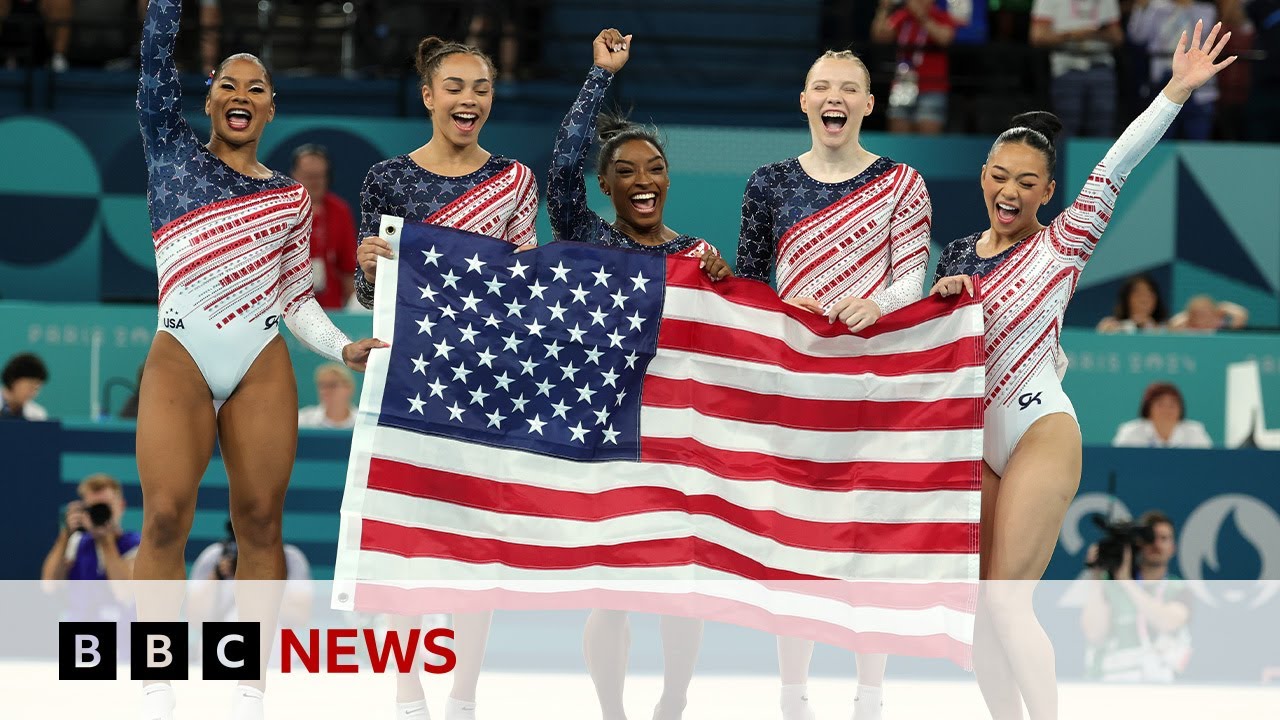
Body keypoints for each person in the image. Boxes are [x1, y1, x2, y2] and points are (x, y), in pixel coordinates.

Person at [930, 21, 1233, 717]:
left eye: (1026, 183)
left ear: (1046, 190)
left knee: (1009, 604)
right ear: (983, 176)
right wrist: (939, 303)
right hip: (973, 440)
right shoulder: (950, 258)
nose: (1009, 192)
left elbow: (1116, 166)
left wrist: (1175, 93)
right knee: (979, 609)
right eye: (999, 177)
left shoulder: (1065, 243)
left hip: (1039, 426)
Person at [133, 2, 385, 719]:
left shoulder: (289, 198)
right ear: (207, 98)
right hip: (181, 347)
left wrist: (344, 345)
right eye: (228, 86)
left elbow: (294, 299)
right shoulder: (170, 154)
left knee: (260, 523)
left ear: (272, 107)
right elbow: (153, 69)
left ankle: (247, 686)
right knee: (163, 519)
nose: (241, 96)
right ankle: (157, 683)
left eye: (256, 89)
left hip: (258, 356)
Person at [735, 46, 932, 720]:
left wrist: (879, 305)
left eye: (849, 87)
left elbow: (913, 275)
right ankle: (793, 693)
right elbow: (751, 285)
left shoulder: (903, 182)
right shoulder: (767, 183)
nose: (834, 97)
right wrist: (783, 317)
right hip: (796, 388)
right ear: (804, 100)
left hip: (876, 386)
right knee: (797, 540)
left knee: (867, 540)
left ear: (869, 104)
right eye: (822, 86)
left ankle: (870, 693)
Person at [350, 34, 539, 720]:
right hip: (406, 379)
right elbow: (371, 298)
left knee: (475, 543)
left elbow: (526, 289)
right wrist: (369, 269)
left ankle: (462, 696)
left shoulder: (515, 179)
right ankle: (407, 694)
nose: (469, 100)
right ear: (429, 96)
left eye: (480, 88)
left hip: (485, 381)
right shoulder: (386, 180)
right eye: (454, 87)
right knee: (402, 537)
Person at [546, 28, 730, 720]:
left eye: (652, 166)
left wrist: (724, 282)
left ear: (669, 176)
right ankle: (613, 712)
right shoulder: (590, 237)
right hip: (609, 434)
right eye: (625, 170)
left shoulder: (700, 253)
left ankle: (675, 698)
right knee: (613, 586)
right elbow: (560, 171)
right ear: (606, 187)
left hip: (682, 438)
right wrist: (599, 76)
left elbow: (732, 347)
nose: (642, 179)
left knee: (680, 584)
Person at [1081, 511, 1192, 682]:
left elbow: (1168, 622)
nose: (1156, 544)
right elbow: (1094, 633)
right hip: (1110, 681)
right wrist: (1096, 577)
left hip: (1158, 683)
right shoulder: (1110, 586)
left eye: (1164, 538)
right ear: (1137, 544)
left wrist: (1127, 581)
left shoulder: (1179, 588)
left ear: (1173, 548)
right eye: (1150, 538)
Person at [1029, 0, 1125, 137]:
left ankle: (1102, 159)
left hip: (1100, 64)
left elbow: (1118, 36)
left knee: (1103, 129)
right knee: (1066, 129)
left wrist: (1093, 33)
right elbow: (1037, 36)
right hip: (1066, 65)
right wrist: (1072, 35)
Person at [1129, 0, 1220, 140]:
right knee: (1159, 141)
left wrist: (1185, 7)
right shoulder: (1155, 8)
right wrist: (1141, 9)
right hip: (1162, 82)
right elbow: (1137, 36)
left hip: (1199, 88)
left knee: (1197, 142)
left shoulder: (1206, 10)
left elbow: (1207, 34)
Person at [871, 0, 959, 136]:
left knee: (928, 143)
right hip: (903, 85)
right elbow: (880, 36)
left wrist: (921, 17)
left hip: (931, 87)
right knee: (898, 140)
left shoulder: (941, 15)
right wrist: (884, 8)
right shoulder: (903, 16)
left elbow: (945, 38)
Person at [291, 144, 357, 309]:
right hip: (290, 306)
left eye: (319, 176)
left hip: (332, 307)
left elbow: (348, 267)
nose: (315, 182)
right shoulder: (282, 211)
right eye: (309, 176)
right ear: (294, 175)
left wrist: (351, 313)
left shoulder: (340, 210)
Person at [41, 473, 139, 582]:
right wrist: (65, 535)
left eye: (105, 507)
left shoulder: (136, 545)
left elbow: (125, 591)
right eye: (94, 508)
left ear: (121, 506)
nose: (100, 514)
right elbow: (49, 583)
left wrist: (105, 541)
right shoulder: (77, 542)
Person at [1112, 381, 1212, 447]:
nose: (1166, 410)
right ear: (1148, 409)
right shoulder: (1130, 433)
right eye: (1160, 405)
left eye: (1172, 405)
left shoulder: (1195, 432)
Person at [1095, 273, 1168, 333]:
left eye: (1149, 294)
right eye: (1138, 294)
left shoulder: (1168, 330)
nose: (1144, 300)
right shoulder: (1110, 326)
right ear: (1126, 298)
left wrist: (1152, 328)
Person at [298, 362, 357, 429]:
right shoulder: (303, 421)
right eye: (322, 386)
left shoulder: (366, 422)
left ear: (349, 388)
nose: (325, 391)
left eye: (332, 385)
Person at [1, 352, 49, 420]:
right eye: (30, 387)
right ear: (13, 381)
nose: (33, 393)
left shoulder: (38, 415)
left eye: (36, 389)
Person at [1169, 293, 1247, 330]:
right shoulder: (1189, 331)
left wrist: (1224, 307)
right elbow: (1173, 325)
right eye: (1199, 315)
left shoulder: (1223, 329)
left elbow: (1241, 315)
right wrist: (1188, 315)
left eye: (1208, 313)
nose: (1205, 318)